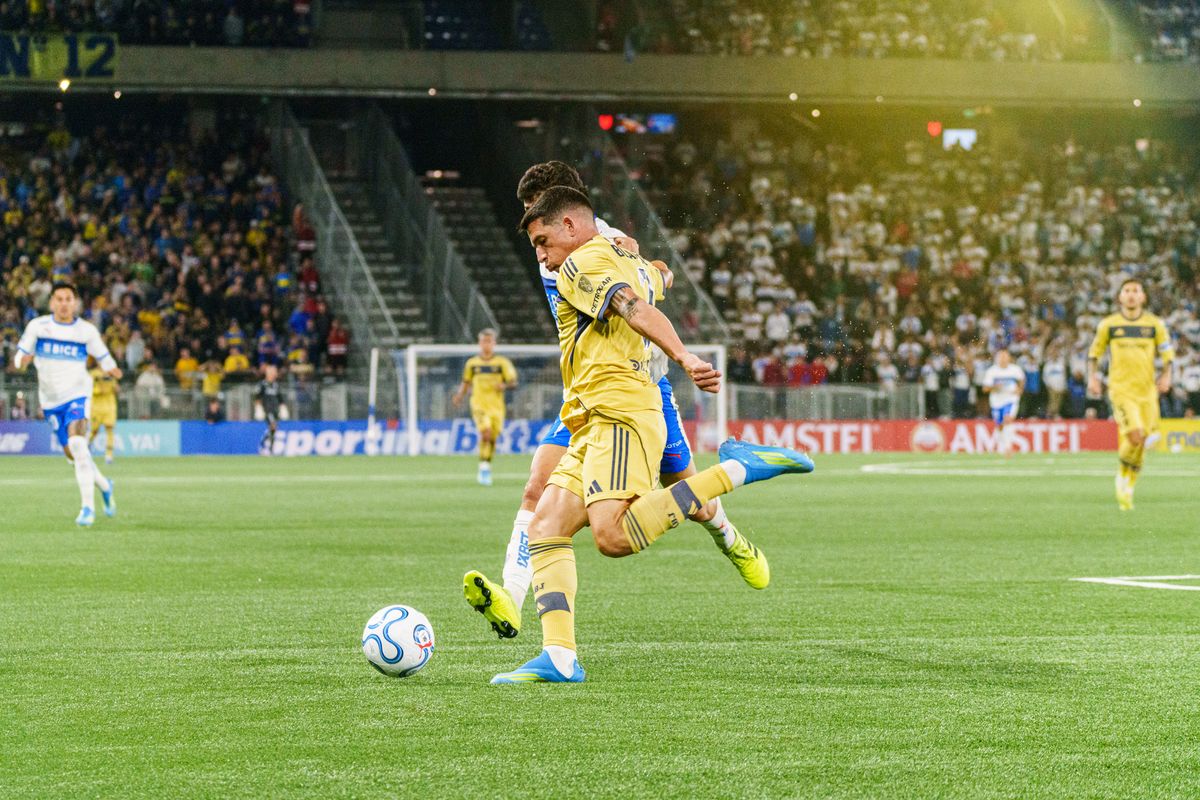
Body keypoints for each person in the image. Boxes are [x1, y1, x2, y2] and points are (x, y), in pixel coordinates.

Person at [485, 187, 813, 685]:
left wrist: (684, 356)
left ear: (570, 224)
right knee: (547, 526)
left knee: (613, 536)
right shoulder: (625, 256)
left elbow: (634, 307)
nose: (542, 257)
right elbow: (658, 277)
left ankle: (739, 469)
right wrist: (656, 270)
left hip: (621, 411)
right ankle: (559, 657)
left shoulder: (578, 266)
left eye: (543, 241)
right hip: (591, 417)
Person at [463, 162, 761, 644]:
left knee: (685, 496)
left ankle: (731, 538)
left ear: (566, 206)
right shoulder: (553, 245)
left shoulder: (599, 241)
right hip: (585, 393)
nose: (531, 223)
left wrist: (676, 333)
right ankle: (511, 597)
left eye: (537, 206)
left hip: (640, 388)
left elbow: (649, 283)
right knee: (537, 489)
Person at [13, 282, 119, 526]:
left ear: (75, 303)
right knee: (74, 455)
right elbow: (19, 355)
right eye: (59, 299)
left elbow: (103, 356)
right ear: (52, 302)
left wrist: (113, 369)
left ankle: (87, 509)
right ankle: (105, 486)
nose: (63, 304)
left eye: (68, 299)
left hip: (78, 395)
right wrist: (22, 361)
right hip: (50, 402)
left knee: (78, 444)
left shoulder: (86, 331)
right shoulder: (38, 327)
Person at [1087, 278, 1174, 510]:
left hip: (1147, 391)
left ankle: (1129, 484)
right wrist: (1092, 377)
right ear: (1120, 297)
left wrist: (1167, 376)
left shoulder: (1154, 325)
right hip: (1121, 389)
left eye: (1136, 290)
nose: (1132, 294)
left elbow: (1167, 354)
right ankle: (1121, 475)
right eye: (1127, 290)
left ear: (1143, 297)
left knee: (1143, 440)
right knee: (1135, 436)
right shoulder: (1109, 325)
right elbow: (1094, 353)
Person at [452, 329, 517, 486]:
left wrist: (504, 385)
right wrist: (459, 396)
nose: (486, 344)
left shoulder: (502, 363)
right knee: (485, 433)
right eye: (483, 341)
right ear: (479, 343)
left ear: (494, 343)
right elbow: (466, 382)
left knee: (492, 438)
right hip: (478, 404)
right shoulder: (472, 364)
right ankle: (483, 468)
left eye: (489, 341)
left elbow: (513, 382)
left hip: (496, 407)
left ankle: (486, 464)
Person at [982, 347, 1025, 456]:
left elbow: (1022, 379)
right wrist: (995, 387)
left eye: (1005, 356)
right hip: (996, 402)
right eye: (1001, 356)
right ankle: (1002, 445)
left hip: (1011, 399)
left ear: (1009, 358)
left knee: (1008, 419)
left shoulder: (1015, 369)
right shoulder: (992, 371)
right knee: (1000, 425)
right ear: (997, 358)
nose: (1003, 359)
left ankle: (1008, 448)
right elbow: (985, 388)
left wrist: (1020, 389)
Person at [89, 360, 119, 464]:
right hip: (96, 407)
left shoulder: (110, 373)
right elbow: (88, 389)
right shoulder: (93, 374)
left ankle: (109, 455)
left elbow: (116, 389)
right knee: (94, 431)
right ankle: (86, 445)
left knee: (110, 429)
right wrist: (99, 388)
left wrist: (115, 385)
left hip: (109, 406)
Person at [255, 363, 283, 455]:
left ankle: (264, 442)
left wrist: (283, 407)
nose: (274, 374)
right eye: (272, 372)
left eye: (274, 372)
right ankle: (270, 449)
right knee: (273, 425)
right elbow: (257, 397)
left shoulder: (276, 385)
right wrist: (258, 408)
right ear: (267, 373)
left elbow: (280, 397)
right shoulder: (262, 384)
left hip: (275, 409)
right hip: (267, 409)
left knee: (274, 428)